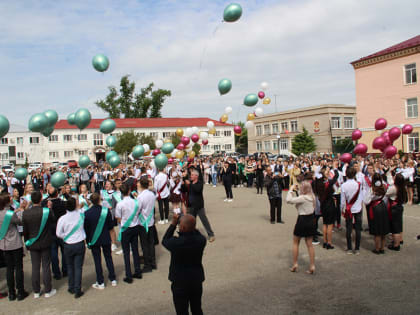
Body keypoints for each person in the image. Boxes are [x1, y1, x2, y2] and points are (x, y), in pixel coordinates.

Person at [162, 213, 207, 315]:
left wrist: (173, 224)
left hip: (180, 282)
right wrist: (191, 224)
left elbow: (165, 240)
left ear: (182, 227)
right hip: (196, 279)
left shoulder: (176, 243)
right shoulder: (201, 240)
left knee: (182, 311)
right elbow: (196, 232)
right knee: (197, 308)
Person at [22, 190, 57, 298]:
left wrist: (27, 242)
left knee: (35, 267)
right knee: (46, 266)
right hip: (45, 241)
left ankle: (36, 291)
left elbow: (25, 230)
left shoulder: (26, 212)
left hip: (33, 242)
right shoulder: (46, 211)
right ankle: (47, 290)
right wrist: (50, 209)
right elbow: (53, 221)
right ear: (41, 199)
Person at [84, 193, 117, 289]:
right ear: (99, 200)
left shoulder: (87, 213)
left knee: (97, 260)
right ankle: (113, 278)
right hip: (105, 237)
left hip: (94, 239)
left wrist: (88, 240)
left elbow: (86, 229)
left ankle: (100, 281)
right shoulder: (106, 211)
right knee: (108, 258)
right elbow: (111, 227)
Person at [0, 193, 29, 301]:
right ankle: (20, 292)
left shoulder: (4, 212)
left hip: (4, 244)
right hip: (14, 243)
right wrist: (21, 210)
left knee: (9, 269)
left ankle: (11, 293)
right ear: (7, 201)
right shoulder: (9, 213)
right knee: (18, 268)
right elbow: (20, 222)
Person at [56, 197, 86, 298]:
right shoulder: (81, 215)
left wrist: (66, 237)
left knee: (70, 266)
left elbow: (58, 233)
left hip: (68, 244)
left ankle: (71, 286)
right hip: (79, 243)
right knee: (78, 267)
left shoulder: (62, 219)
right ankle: (78, 289)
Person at [286, 181, 316, 274]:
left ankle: (295, 263)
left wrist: (291, 190)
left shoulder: (302, 198)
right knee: (309, 244)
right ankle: (312, 265)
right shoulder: (312, 197)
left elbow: (289, 200)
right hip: (311, 219)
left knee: (296, 242)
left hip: (302, 219)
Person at [115, 184, 142, 283]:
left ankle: (128, 275)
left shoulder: (120, 204)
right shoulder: (136, 202)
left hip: (125, 228)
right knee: (135, 250)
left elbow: (118, 218)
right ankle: (138, 271)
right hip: (135, 226)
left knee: (126, 252)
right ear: (129, 190)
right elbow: (138, 212)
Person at [41, 186, 67, 280]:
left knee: (53, 252)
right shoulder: (62, 202)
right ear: (57, 193)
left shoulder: (44, 203)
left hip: (50, 230)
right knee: (63, 251)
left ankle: (56, 273)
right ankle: (65, 270)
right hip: (61, 229)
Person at [183, 169, 215, 242]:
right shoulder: (190, 182)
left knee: (204, 220)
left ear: (196, 176)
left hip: (199, 206)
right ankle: (191, 236)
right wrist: (183, 181)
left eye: (192, 175)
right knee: (191, 222)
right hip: (190, 205)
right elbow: (184, 190)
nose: (190, 176)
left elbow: (197, 190)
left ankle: (211, 235)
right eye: (190, 175)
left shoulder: (199, 183)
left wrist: (190, 184)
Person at [363, 173, 390, 254]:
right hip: (382, 206)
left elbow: (366, 201)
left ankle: (377, 248)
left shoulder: (372, 189)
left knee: (377, 230)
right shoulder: (384, 187)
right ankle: (382, 248)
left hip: (375, 207)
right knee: (383, 229)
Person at [340, 167, 364, 255]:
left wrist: (341, 209)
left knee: (349, 228)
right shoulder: (359, 184)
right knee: (358, 229)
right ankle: (357, 248)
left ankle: (349, 248)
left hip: (349, 208)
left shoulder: (343, 185)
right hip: (357, 208)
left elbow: (342, 201)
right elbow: (361, 197)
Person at [314, 167, 339, 249]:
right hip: (329, 204)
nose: (328, 173)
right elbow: (336, 176)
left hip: (322, 204)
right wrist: (335, 169)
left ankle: (324, 241)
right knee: (330, 225)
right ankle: (329, 243)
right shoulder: (329, 182)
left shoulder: (318, 182)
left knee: (325, 223)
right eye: (327, 172)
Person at [137, 177, 157, 273]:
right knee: (151, 243)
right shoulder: (152, 194)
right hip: (151, 221)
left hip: (143, 222)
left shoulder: (140, 196)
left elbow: (138, 209)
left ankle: (147, 265)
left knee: (144, 244)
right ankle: (153, 262)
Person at [386, 172, 407, 251]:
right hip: (399, 206)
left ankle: (396, 245)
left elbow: (387, 193)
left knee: (395, 227)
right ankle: (400, 239)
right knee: (399, 224)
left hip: (394, 208)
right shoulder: (402, 187)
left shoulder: (394, 188)